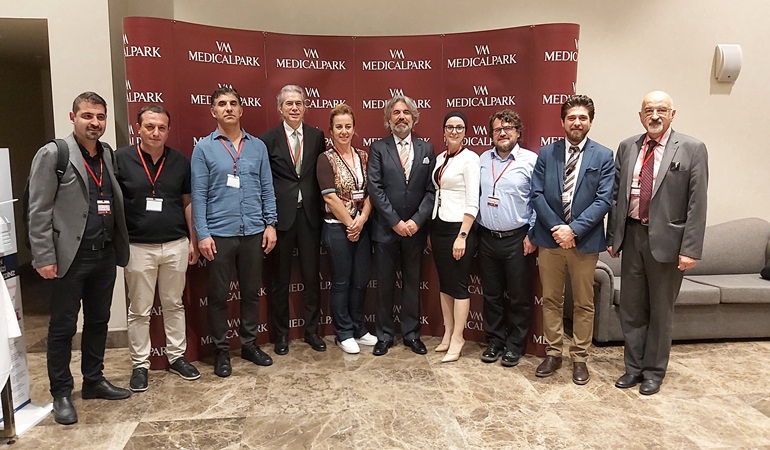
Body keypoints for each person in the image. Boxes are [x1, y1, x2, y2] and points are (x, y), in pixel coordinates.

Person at [28, 91, 131, 425]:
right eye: (87, 116)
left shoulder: (108, 154)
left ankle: (94, 381)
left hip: (104, 255)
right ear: (73, 117)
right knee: (63, 327)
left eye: (100, 117)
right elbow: (39, 210)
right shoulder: (54, 154)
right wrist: (44, 256)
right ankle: (61, 392)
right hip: (69, 257)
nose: (95, 123)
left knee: (98, 321)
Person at [607, 90, 708, 395]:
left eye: (661, 110)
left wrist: (690, 249)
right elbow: (616, 196)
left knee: (660, 311)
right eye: (649, 110)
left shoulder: (692, 148)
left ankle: (653, 372)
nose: (655, 116)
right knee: (632, 308)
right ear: (640, 116)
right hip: (632, 236)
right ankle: (633, 368)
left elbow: (697, 203)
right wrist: (614, 236)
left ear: (672, 114)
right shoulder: (627, 147)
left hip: (668, 243)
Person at [191, 86, 278, 377]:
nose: (228, 108)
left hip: (253, 231)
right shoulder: (203, 149)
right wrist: (202, 233)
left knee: (251, 292)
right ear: (213, 111)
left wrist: (271, 224)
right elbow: (198, 195)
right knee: (218, 296)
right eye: (221, 104)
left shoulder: (258, 147)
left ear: (241, 109)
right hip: (219, 234)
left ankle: (249, 344)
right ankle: (220, 350)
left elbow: (267, 188)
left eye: (233, 103)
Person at [115, 104, 200, 392]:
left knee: (174, 304)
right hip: (138, 246)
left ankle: (177, 357)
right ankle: (140, 364)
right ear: (138, 128)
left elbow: (187, 202)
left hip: (175, 243)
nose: (155, 132)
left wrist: (192, 240)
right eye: (150, 126)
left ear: (168, 130)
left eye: (161, 128)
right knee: (140, 309)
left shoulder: (179, 161)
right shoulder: (121, 159)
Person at [530, 95, 614, 384]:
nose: (577, 122)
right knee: (551, 299)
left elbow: (604, 200)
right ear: (562, 122)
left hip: (584, 241)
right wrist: (558, 228)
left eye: (582, 118)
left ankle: (580, 357)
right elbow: (536, 194)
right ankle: (553, 352)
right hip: (550, 239)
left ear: (590, 121)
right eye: (571, 118)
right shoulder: (547, 153)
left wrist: (573, 230)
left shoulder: (603, 156)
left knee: (583, 302)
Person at [259, 85, 326, 355]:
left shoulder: (317, 136)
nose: (294, 108)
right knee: (280, 280)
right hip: (282, 218)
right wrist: (269, 221)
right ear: (280, 109)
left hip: (310, 216)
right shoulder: (268, 139)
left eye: (299, 103)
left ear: (305, 107)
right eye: (289, 104)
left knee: (311, 277)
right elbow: (265, 182)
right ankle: (282, 336)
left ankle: (312, 332)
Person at [367, 95, 435, 356]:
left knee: (412, 283)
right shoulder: (378, 148)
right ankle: (384, 335)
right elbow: (375, 188)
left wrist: (416, 221)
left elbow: (431, 190)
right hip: (386, 229)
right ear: (388, 118)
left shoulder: (426, 149)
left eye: (406, 112)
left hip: (415, 231)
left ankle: (411, 334)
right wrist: (395, 221)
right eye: (396, 112)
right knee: (384, 284)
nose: (401, 117)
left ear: (414, 118)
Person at [476, 109, 538, 367]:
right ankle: (495, 341)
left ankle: (514, 345)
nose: (502, 133)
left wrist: (532, 234)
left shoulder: (531, 160)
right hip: (487, 237)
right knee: (491, 295)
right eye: (497, 129)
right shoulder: (482, 159)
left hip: (518, 238)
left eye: (508, 128)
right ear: (491, 134)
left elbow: (538, 200)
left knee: (518, 296)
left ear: (518, 132)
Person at [316, 104, 377, 354]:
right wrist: (351, 224)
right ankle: (343, 333)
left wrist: (361, 219)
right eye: (338, 127)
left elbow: (372, 191)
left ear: (354, 129)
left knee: (360, 280)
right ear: (331, 131)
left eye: (348, 126)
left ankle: (358, 328)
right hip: (336, 228)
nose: (344, 131)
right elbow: (330, 197)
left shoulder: (364, 156)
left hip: (361, 227)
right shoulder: (325, 159)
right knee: (342, 281)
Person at [430, 111, 480, 363]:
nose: (454, 131)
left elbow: (473, 201)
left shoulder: (470, 159)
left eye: (459, 127)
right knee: (445, 283)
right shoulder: (440, 158)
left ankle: (459, 337)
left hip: (458, 229)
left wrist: (462, 235)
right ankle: (448, 333)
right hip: (438, 225)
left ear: (465, 132)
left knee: (458, 284)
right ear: (443, 131)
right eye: (450, 127)